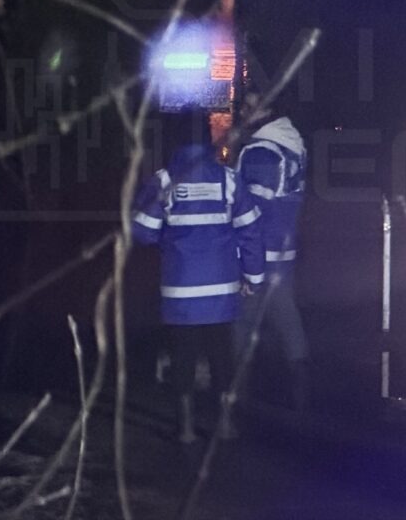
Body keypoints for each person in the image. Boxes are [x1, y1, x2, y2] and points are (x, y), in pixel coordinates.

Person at [132, 109, 264, 443]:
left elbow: (143, 231)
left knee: (183, 359)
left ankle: (187, 429)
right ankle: (224, 425)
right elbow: (250, 230)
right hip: (221, 293)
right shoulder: (228, 179)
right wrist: (254, 277)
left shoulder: (165, 180)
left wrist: (168, 238)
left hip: (180, 294)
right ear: (208, 139)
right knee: (222, 358)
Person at [236, 106, 310, 411]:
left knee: (242, 324)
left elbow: (250, 213)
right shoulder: (293, 145)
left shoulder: (260, 152)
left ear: (266, 110)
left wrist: (245, 262)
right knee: (287, 318)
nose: (243, 110)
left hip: (258, 253)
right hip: (284, 250)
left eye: (250, 104)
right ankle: (302, 394)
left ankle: (238, 398)